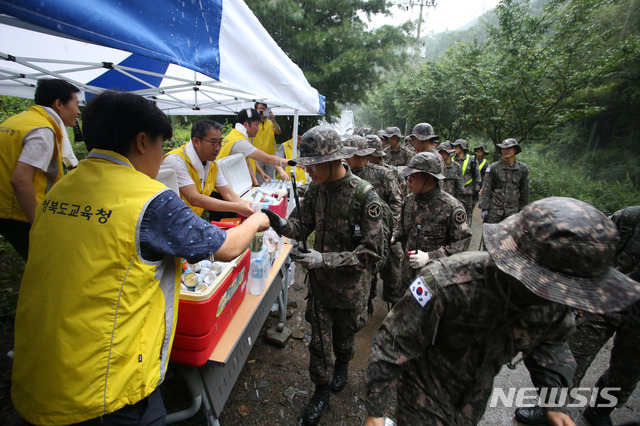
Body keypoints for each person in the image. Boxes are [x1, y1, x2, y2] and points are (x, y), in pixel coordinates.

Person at [10, 91, 269, 426]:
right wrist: (257, 221)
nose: (161, 158)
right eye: (162, 146)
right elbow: (228, 248)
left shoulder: (62, 187)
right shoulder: (149, 199)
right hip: (104, 388)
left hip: (39, 372)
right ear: (143, 141)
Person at [364, 197, 640, 426]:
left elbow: (552, 346)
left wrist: (555, 402)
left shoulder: (552, 301)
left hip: (476, 393)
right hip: (424, 387)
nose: (566, 299)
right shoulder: (444, 282)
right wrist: (376, 410)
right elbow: (394, 339)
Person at [261, 126, 386, 426]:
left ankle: (343, 364)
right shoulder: (315, 190)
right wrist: (275, 221)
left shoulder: (364, 196)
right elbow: (300, 227)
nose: (310, 171)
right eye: (307, 165)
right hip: (319, 288)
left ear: (334, 161)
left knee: (344, 339)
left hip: (350, 289)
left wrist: (323, 259)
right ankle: (320, 391)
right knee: (318, 344)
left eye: (314, 165)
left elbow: (371, 252)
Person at [515, 205, 640, 426]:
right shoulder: (631, 217)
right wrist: (577, 294)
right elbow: (591, 250)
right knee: (574, 356)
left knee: (629, 369)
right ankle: (551, 408)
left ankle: (601, 410)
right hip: (603, 301)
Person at [0, 78, 80, 260]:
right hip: (19, 213)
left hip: (5, 208)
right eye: (76, 104)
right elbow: (20, 180)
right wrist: (37, 225)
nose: (78, 111)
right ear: (59, 104)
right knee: (46, 263)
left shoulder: (18, 120)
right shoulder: (42, 131)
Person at [343, 134, 403, 309]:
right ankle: (366, 303)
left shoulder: (382, 174)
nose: (346, 158)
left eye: (350, 155)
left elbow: (396, 202)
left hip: (385, 232)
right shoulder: (345, 174)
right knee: (365, 271)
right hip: (358, 233)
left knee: (392, 272)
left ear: (363, 155)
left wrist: (389, 229)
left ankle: (393, 307)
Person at [397, 152, 471, 290]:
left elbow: (461, 244)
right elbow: (401, 227)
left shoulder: (451, 207)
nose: (408, 180)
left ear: (429, 178)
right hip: (407, 275)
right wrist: (393, 236)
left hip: (435, 279)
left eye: (414, 175)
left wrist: (430, 256)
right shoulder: (409, 200)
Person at [162, 119, 255, 218]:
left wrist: (249, 208)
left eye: (220, 142)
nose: (218, 148)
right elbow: (194, 198)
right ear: (196, 141)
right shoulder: (176, 160)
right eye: (213, 142)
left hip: (189, 220)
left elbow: (228, 193)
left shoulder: (212, 165)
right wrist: (237, 207)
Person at [215, 108, 288, 186]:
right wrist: (294, 163)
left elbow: (248, 162)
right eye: (256, 125)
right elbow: (268, 159)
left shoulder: (235, 135)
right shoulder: (239, 142)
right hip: (222, 188)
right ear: (246, 124)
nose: (258, 128)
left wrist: (258, 180)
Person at [480, 138, 530, 223]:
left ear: (515, 150)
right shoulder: (494, 167)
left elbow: (525, 192)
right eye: (503, 148)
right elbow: (486, 189)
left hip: (511, 213)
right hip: (494, 211)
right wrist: (484, 207)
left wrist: (522, 212)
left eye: (509, 148)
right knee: (489, 235)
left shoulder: (522, 169)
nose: (506, 151)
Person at [452, 138, 482, 223]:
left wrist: (476, 192)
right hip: (453, 193)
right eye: (454, 146)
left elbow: (477, 177)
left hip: (467, 194)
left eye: (457, 146)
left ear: (462, 148)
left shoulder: (471, 160)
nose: (454, 148)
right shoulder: (451, 158)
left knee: (465, 218)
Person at [253, 102, 282, 183]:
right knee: (260, 181)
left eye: (264, 109)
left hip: (270, 157)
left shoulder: (270, 123)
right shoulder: (253, 123)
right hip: (257, 157)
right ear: (256, 110)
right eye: (260, 109)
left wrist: (273, 120)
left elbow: (278, 131)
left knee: (271, 180)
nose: (262, 111)